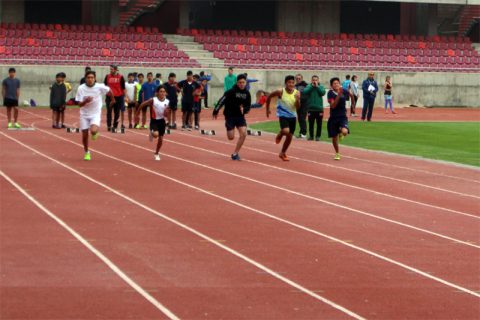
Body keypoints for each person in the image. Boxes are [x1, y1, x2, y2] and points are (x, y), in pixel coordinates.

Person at [75, 70, 115, 161]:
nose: (90, 79)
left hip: (95, 113)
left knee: (93, 131)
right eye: (88, 78)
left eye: (92, 78)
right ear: (85, 79)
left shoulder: (99, 86)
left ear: (95, 78)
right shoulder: (81, 88)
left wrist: (113, 100)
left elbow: (109, 91)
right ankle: (86, 152)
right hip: (84, 114)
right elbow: (79, 104)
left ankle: (94, 132)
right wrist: (86, 101)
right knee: (85, 135)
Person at [213, 74, 251, 160]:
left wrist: (244, 110)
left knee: (244, 134)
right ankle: (229, 127)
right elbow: (222, 100)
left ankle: (235, 153)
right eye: (240, 82)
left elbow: (248, 106)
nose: (241, 84)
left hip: (240, 117)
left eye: (243, 82)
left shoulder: (247, 93)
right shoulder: (231, 92)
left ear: (246, 83)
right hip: (230, 116)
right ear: (237, 83)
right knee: (231, 137)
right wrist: (216, 110)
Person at [265, 75, 300, 161]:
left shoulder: (297, 93)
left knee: (289, 137)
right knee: (285, 131)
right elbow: (269, 96)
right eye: (289, 82)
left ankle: (282, 153)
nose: (291, 84)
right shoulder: (280, 91)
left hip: (292, 116)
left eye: (292, 82)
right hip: (283, 115)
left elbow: (298, 107)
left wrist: (298, 100)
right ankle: (280, 134)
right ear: (285, 83)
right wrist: (267, 109)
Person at [136, 85, 171, 161]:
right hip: (154, 121)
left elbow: (167, 113)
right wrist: (137, 114)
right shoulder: (153, 100)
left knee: (161, 139)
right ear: (157, 93)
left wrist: (168, 119)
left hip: (162, 121)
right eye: (161, 91)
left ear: (165, 93)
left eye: (163, 92)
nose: (162, 93)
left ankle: (157, 153)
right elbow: (142, 104)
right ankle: (152, 133)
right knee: (156, 135)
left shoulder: (167, 101)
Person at [327, 77, 353, 161]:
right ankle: (337, 153)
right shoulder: (330, 93)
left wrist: (353, 106)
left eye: (337, 83)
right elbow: (333, 105)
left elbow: (352, 95)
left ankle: (341, 133)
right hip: (333, 117)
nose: (336, 84)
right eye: (334, 83)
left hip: (342, 116)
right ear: (331, 85)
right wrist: (339, 95)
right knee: (334, 138)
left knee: (345, 131)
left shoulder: (344, 91)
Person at [303, 75, 326, 141]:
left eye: (316, 80)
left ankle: (318, 136)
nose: (314, 81)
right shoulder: (308, 86)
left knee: (319, 124)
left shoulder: (321, 86)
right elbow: (304, 92)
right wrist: (312, 87)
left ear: (318, 81)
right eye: (313, 80)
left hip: (319, 109)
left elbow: (323, 93)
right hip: (311, 109)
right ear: (311, 80)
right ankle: (311, 136)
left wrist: (317, 87)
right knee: (311, 123)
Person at [104, 65, 126, 131]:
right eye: (110, 69)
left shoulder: (121, 77)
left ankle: (115, 126)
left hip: (118, 97)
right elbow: (105, 86)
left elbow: (123, 88)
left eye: (112, 69)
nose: (111, 70)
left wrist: (124, 97)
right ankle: (109, 125)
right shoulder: (107, 76)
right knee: (109, 111)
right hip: (109, 97)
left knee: (117, 112)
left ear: (116, 70)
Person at [295, 74, 308, 139]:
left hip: (304, 104)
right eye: (297, 78)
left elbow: (307, 94)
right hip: (298, 104)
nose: (298, 79)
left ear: (302, 79)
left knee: (302, 118)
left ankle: (304, 133)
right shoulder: (295, 86)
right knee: (300, 118)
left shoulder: (306, 85)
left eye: (299, 78)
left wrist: (300, 98)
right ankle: (301, 132)